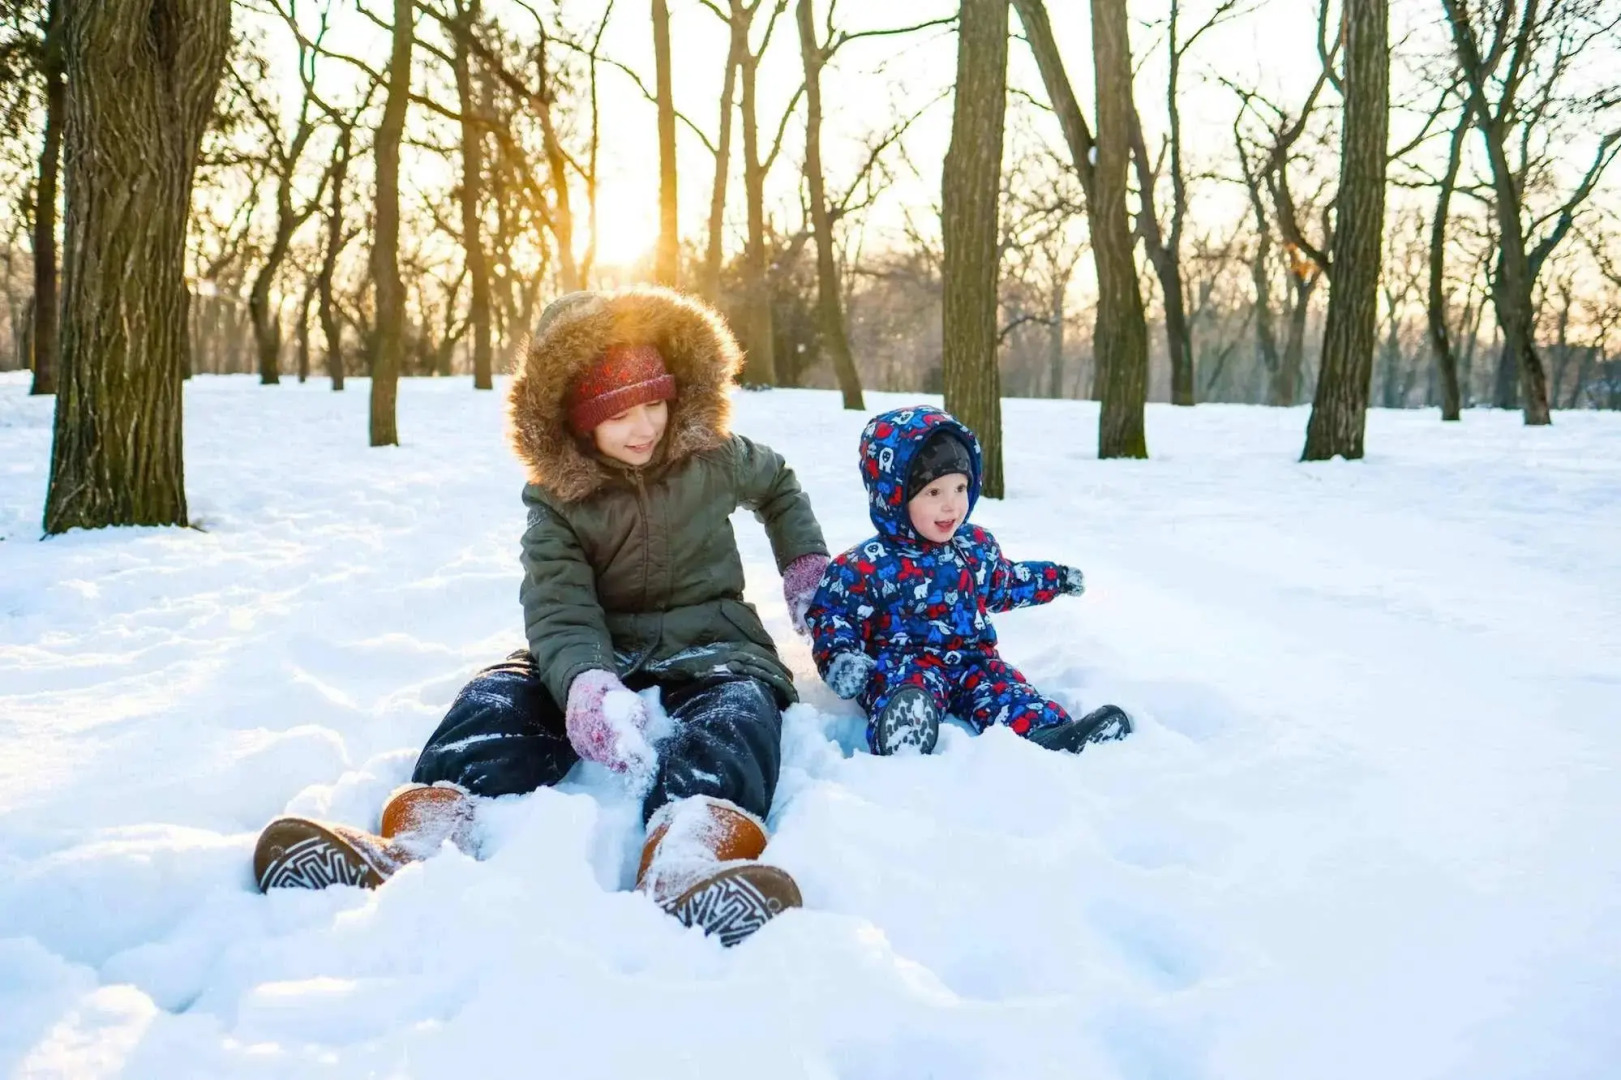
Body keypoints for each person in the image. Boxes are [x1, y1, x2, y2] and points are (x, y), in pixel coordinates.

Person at [253, 287, 830, 948]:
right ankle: (420, 836)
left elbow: (778, 485)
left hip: (712, 638)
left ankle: (687, 858)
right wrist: (584, 681)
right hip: (601, 645)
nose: (644, 427)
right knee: (497, 695)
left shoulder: (712, 456)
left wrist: (804, 564)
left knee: (736, 714)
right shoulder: (558, 499)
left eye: (654, 404)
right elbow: (559, 607)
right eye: (619, 414)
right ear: (580, 422)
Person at [805, 405, 1133, 756]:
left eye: (960, 488)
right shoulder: (866, 564)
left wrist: (1056, 578)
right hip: (906, 663)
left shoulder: (974, 548)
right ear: (894, 496)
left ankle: (1054, 733)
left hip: (974, 662)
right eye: (934, 493)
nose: (951, 505)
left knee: (1006, 690)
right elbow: (833, 615)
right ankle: (905, 727)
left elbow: (1006, 583)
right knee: (900, 686)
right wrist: (840, 657)